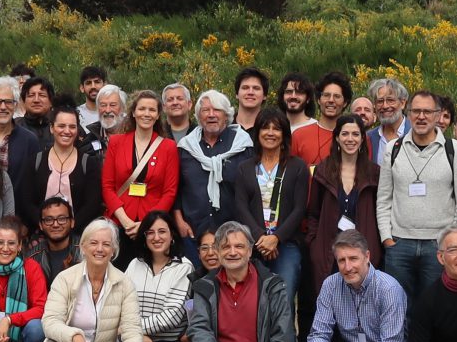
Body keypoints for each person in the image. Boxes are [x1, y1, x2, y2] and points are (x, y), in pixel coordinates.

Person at [378, 91, 457, 298]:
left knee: (437, 305)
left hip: (438, 245)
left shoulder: (454, 150)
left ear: (438, 115)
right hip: (399, 244)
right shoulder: (393, 149)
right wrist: (387, 238)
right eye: (416, 111)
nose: (421, 117)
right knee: (398, 307)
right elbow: (383, 199)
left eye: (427, 111)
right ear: (408, 113)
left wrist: (453, 242)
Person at [223, 108, 307, 294]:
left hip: (286, 244)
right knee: (254, 300)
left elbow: (300, 208)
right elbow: (241, 206)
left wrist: (276, 238)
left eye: (276, 129)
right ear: (258, 133)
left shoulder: (297, 166)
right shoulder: (245, 168)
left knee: (283, 298)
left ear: (284, 134)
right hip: (254, 244)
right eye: (265, 128)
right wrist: (262, 237)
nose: (270, 133)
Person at [303, 114, 382, 299]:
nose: (350, 139)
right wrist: (314, 245)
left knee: (364, 303)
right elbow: (313, 213)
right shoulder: (323, 171)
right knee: (330, 303)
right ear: (337, 137)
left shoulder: (374, 173)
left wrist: (377, 247)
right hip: (329, 251)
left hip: (363, 250)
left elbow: (381, 213)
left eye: (355, 134)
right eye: (345, 134)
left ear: (363, 138)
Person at [122, 216, 196, 342]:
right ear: (144, 237)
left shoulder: (184, 267)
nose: (156, 237)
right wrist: (137, 336)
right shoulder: (134, 264)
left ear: (172, 235)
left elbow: (172, 316)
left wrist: (137, 331)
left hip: (168, 341)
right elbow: (123, 304)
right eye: (150, 232)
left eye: (162, 231)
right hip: (134, 340)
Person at [102, 91, 182, 267]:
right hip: (120, 222)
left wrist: (147, 223)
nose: (147, 114)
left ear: (158, 114)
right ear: (133, 112)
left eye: (152, 110)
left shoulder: (168, 147)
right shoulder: (116, 142)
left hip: (153, 228)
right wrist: (125, 221)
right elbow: (107, 186)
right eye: (142, 109)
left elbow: (170, 191)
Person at [176, 90, 254, 245]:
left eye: (217, 110)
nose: (211, 115)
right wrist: (179, 221)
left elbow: (253, 191)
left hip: (233, 233)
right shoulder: (186, 147)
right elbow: (176, 188)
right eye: (206, 110)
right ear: (198, 116)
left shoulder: (243, 145)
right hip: (192, 233)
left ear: (227, 115)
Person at [18, 109, 104, 235]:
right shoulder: (35, 162)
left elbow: (92, 204)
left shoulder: (89, 164)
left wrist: (70, 227)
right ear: (52, 128)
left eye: (72, 127)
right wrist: (45, 225)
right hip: (40, 236)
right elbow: (26, 201)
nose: (67, 131)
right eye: (61, 126)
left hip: (77, 236)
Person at [23, 197, 81, 277]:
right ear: (41, 225)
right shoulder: (32, 258)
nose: (55, 225)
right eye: (49, 220)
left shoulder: (86, 252)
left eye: (62, 219)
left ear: (72, 222)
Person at [284, 73, 330, 165]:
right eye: (289, 92)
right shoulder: (274, 128)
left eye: (299, 92)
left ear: (308, 98)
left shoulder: (317, 130)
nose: (293, 96)